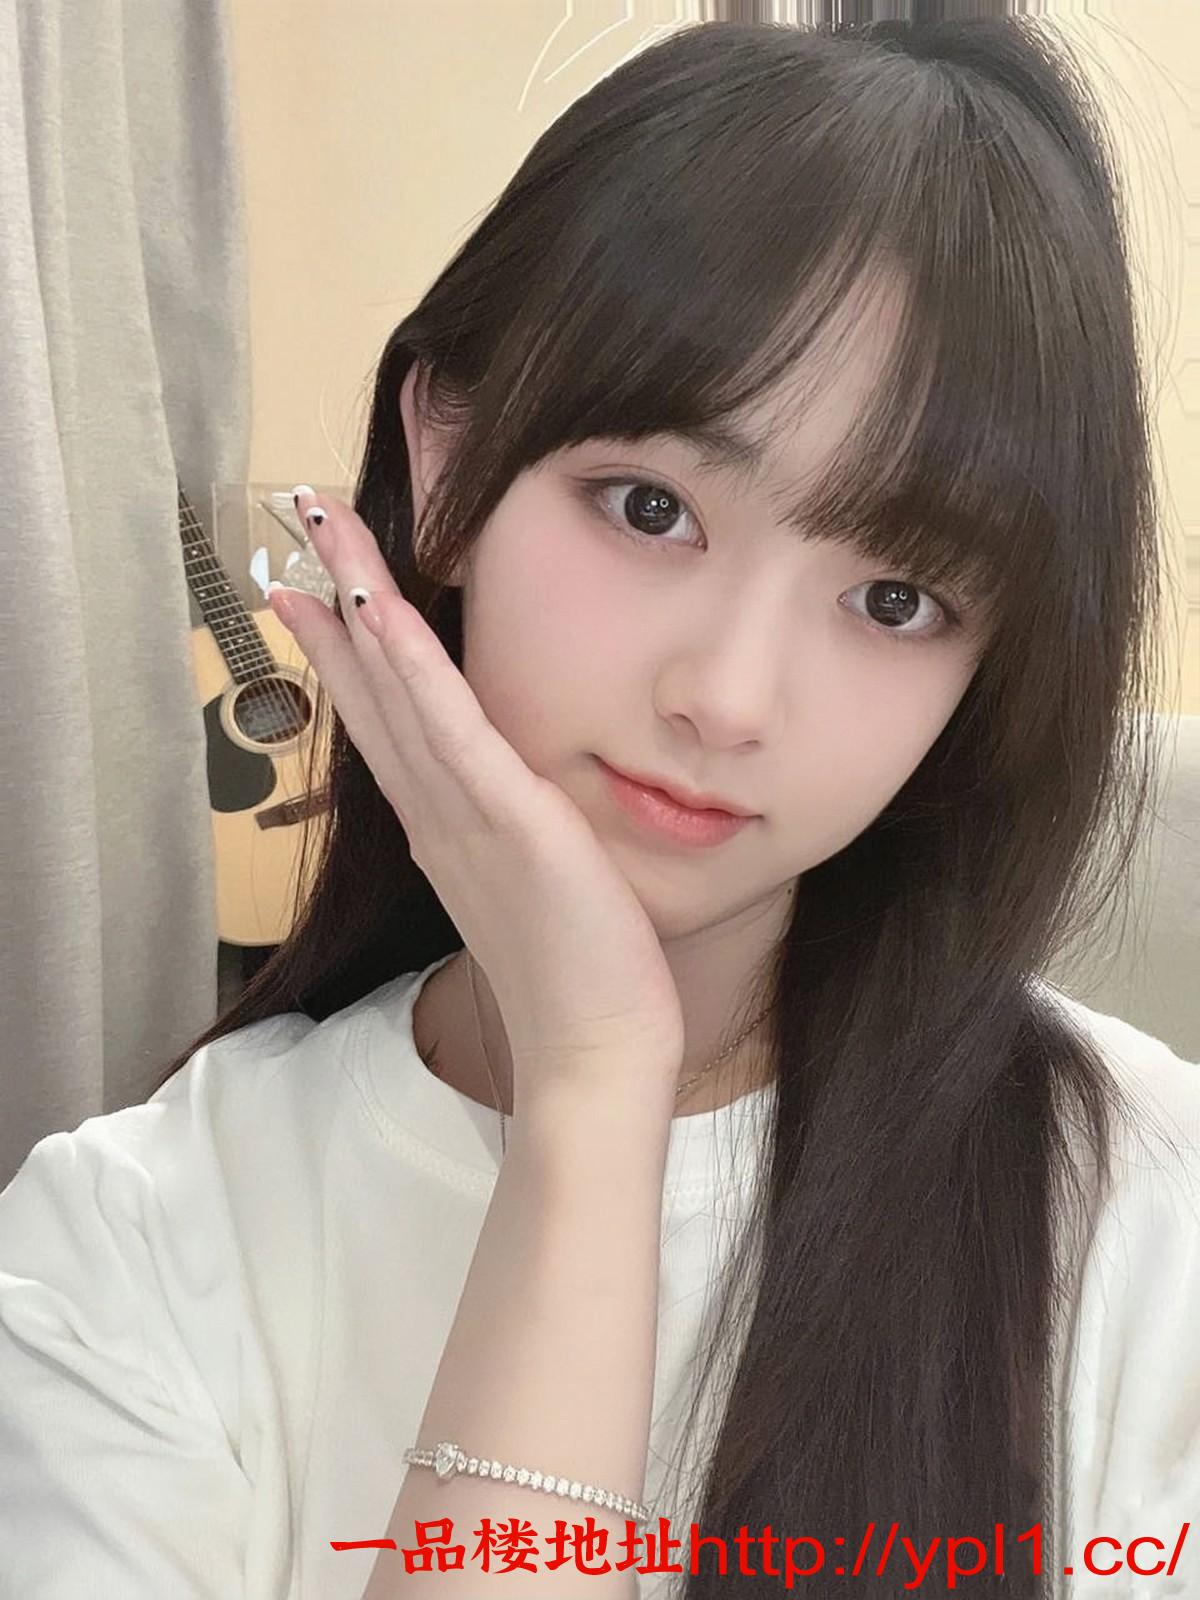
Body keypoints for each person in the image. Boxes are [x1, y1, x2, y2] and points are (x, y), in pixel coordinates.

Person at [1, 15, 1197, 1600]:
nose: (730, 696)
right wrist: (590, 1089)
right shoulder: (131, 1250)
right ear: (445, 457)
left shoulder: (1150, 1228)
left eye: (897, 598)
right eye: (652, 508)